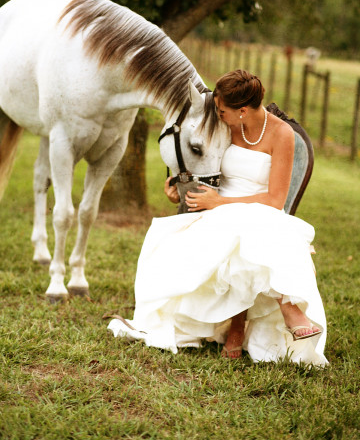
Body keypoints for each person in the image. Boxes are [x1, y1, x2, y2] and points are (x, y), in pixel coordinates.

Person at [108, 70, 327, 366]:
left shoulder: (282, 134)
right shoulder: (224, 125)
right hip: (218, 209)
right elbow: (199, 163)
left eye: (222, 110)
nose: (217, 113)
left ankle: (240, 326)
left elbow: (275, 200)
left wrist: (222, 202)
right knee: (236, 230)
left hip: (262, 210)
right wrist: (178, 186)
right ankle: (287, 307)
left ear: (243, 111)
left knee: (251, 227)